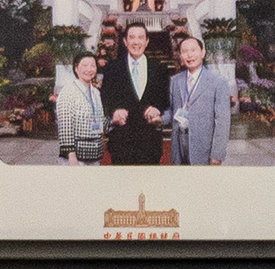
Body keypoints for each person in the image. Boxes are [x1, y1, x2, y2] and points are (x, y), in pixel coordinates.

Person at [95, 20, 172, 165]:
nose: (136, 42)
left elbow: (165, 99)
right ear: (125, 41)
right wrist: (113, 112)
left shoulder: (159, 69)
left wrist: (157, 109)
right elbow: (105, 98)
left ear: (147, 41)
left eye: (140, 37)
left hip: (150, 143)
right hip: (121, 143)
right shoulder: (112, 68)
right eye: (132, 37)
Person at [167, 30, 237, 167]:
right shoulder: (175, 81)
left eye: (193, 50)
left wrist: (217, 155)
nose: (189, 55)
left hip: (203, 149)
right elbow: (172, 112)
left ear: (203, 53)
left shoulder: (218, 83)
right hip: (179, 147)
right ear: (180, 56)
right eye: (185, 51)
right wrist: (158, 117)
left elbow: (222, 122)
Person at [53, 53, 106, 164]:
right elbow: (64, 125)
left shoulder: (96, 92)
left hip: (95, 155)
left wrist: (114, 120)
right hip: (76, 158)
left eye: (93, 65)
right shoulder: (68, 92)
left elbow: (100, 120)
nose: (89, 69)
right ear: (76, 68)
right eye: (85, 65)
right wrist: (71, 155)